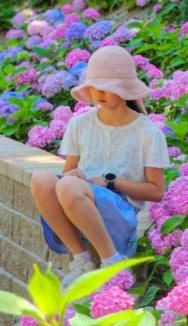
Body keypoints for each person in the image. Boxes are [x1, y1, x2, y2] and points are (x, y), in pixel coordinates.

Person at [30, 44, 170, 288]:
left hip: (121, 211)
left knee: (70, 187)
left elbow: (156, 192)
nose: (99, 93)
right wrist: (73, 175)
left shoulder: (147, 132)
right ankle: (82, 260)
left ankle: (111, 261)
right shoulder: (80, 124)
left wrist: (110, 183)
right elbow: (68, 173)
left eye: (108, 87)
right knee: (41, 179)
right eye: (94, 86)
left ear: (125, 90)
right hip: (81, 201)